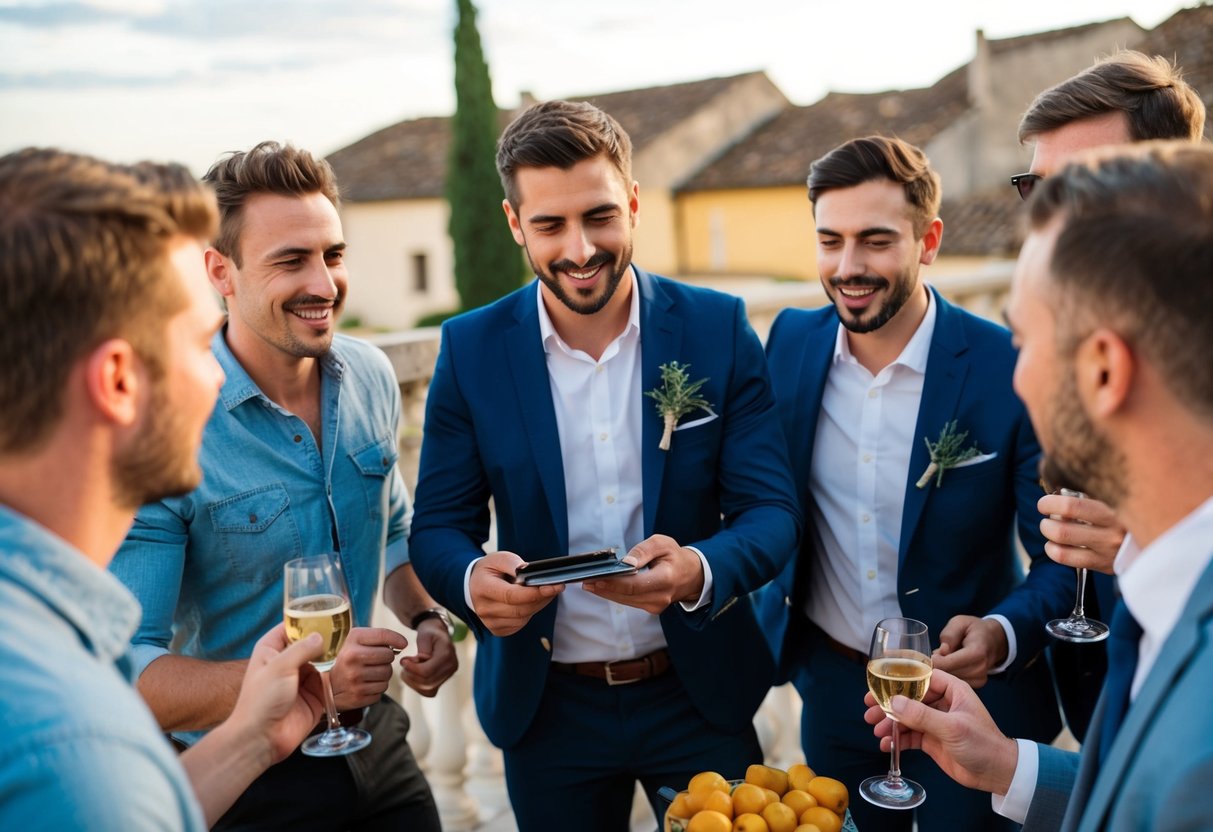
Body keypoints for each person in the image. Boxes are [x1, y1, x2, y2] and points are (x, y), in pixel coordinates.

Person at [407, 99, 801, 830]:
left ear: (634, 205)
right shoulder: (471, 349)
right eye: (550, 225)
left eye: (599, 216)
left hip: (698, 695)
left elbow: (771, 514)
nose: (580, 249)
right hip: (546, 708)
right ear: (513, 223)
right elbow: (436, 527)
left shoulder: (716, 327)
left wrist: (696, 571)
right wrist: (468, 580)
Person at [867, 139, 1213, 831]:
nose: (1013, 376)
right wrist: (1003, 765)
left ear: (1103, 372)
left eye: (1022, 340)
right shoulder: (1166, 590)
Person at [108, 141, 453, 831]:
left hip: (375, 734)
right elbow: (130, 670)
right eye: (290, 261)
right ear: (220, 271)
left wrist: (424, 619)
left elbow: (388, 529)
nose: (324, 284)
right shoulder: (169, 423)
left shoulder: (372, 377)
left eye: (332, 254)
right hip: (240, 771)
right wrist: (308, 684)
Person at [0, 148, 330, 828]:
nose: (216, 376)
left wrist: (247, 740)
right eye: (199, 342)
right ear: (119, 382)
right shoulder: (74, 749)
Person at [761, 135, 1074, 831]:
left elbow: (1061, 555)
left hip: (972, 705)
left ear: (927, 240)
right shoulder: (787, 343)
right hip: (835, 698)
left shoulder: (1003, 365)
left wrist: (1000, 631)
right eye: (829, 241)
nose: (847, 267)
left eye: (875, 241)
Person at [1014, 49, 1207, 740]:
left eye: (1077, 192)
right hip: (1094, 705)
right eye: (1034, 191)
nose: (1044, 222)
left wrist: (1150, 537)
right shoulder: (1054, 339)